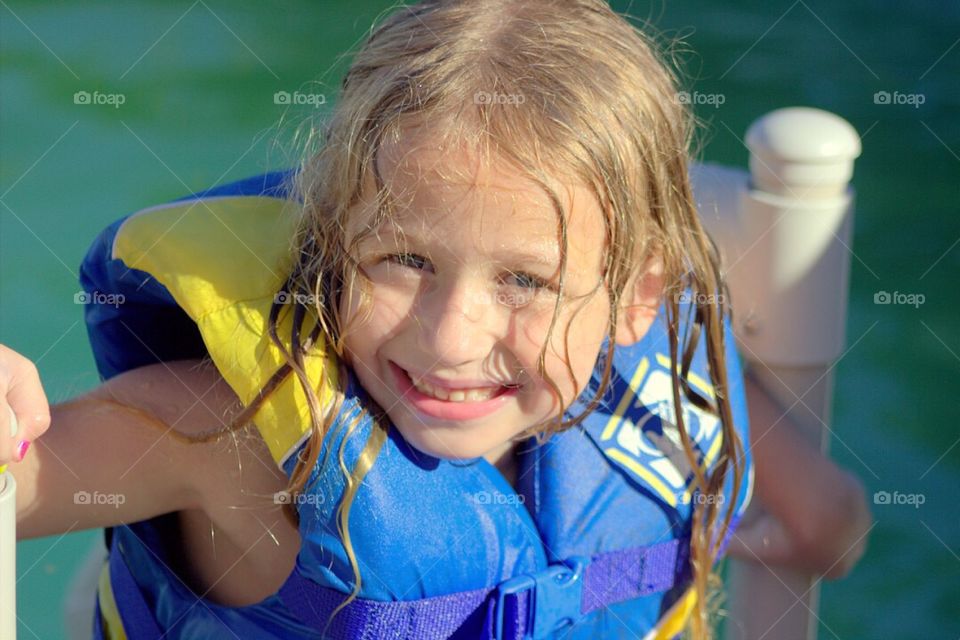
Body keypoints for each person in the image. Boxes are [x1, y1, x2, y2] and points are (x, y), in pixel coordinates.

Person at [0, 1, 869, 637]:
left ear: (639, 295)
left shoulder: (663, 384)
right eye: (406, 261)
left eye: (526, 280)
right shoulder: (230, 432)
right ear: (333, 242)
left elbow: (831, 521)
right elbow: (825, 524)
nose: (450, 338)